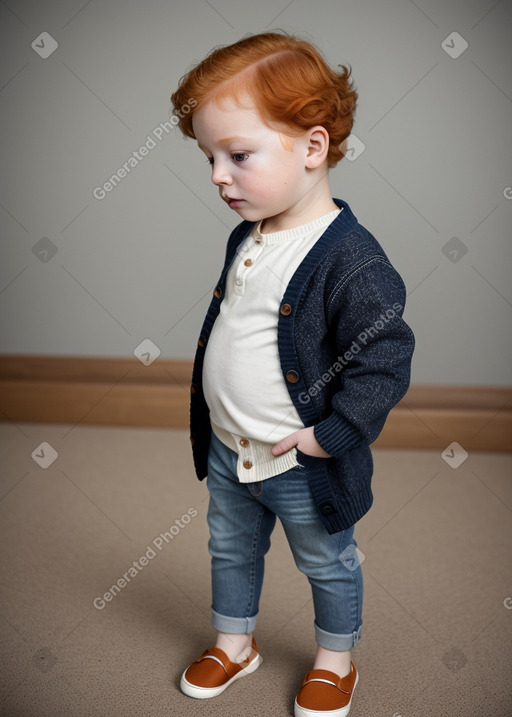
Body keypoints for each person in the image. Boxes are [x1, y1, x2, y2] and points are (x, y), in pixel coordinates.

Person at [170, 31, 415, 717]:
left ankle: (337, 658)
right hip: (230, 446)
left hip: (298, 458)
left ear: (312, 147)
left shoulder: (352, 259)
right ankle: (234, 641)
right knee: (230, 545)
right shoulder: (246, 234)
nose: (218, 174)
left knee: (327, 558)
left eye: (237, 154)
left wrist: (330, 434)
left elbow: (384, 357)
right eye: (209, 157)